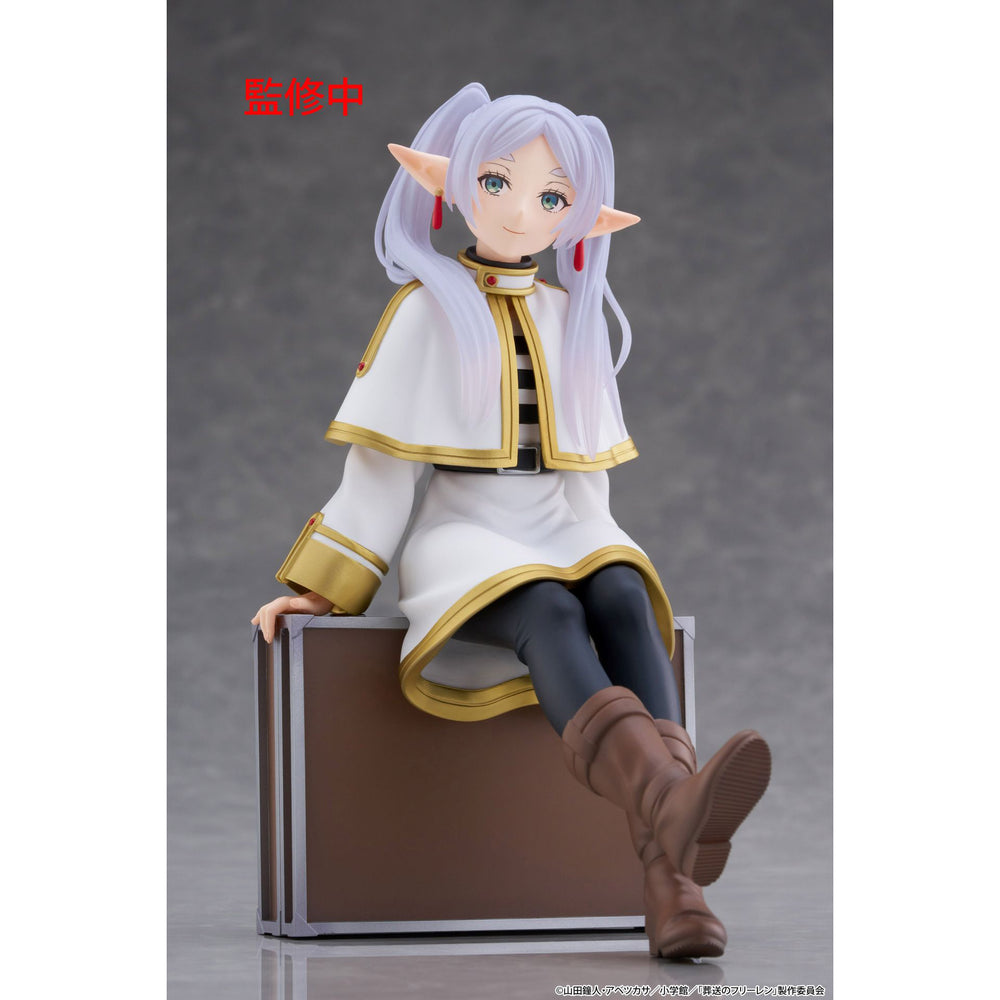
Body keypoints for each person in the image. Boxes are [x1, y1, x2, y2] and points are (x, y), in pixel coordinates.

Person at [253, 83, 770, 959]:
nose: (522, 212)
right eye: (497, 183)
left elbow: (586, 478)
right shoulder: (427, 309)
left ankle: (670, 873)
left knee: (621, 594)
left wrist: (611, 553)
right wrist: (322, 588)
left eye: (552, 197)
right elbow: (382, 472)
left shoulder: (570, 318)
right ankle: (671, 818)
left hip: (562, 520)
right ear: (453, 184)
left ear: (578, 218)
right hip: (465, 537)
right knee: (551, 609)